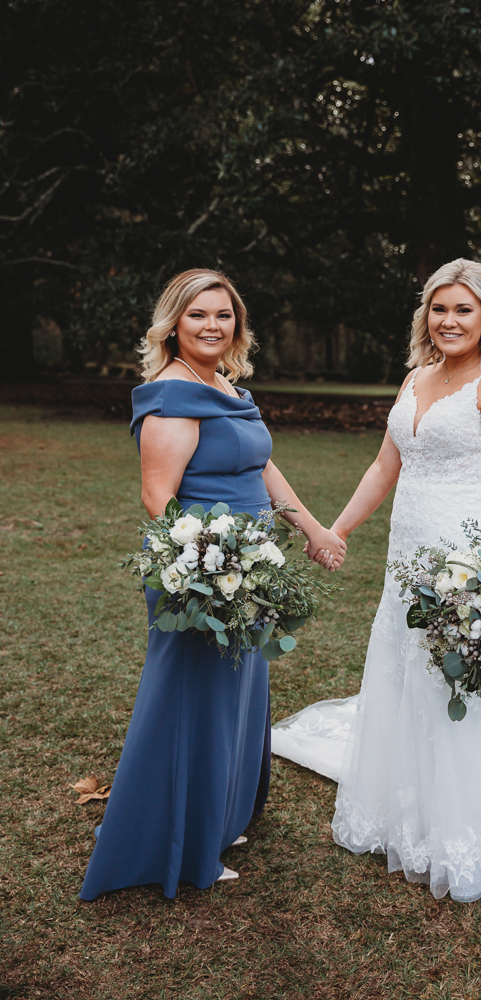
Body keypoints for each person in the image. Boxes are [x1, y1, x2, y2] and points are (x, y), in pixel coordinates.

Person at [272, 258, 481, 902]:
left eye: (463, 308)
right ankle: (407, 813)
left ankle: (465, 828)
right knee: (404, 672)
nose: (450, 320)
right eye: (439, 308)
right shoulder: (414, 379)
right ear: (424, 315)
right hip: (406, 557)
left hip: (464, 558)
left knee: (450, 683)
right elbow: (384, 466)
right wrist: (337, 529)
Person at [80, 268, 346, 901]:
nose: (211, 326)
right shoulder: (171, 394)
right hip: (203, 574)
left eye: (223, 315)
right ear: (174, 323)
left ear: (237, 325)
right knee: (193, 700)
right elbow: (158, 497)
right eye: (198, 315)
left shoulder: (221, 383)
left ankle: (220, 817)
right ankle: (184, 841)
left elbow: (260, 465)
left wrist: (312, 528)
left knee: (236, 693)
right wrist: (208, 567)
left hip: (248, 567)